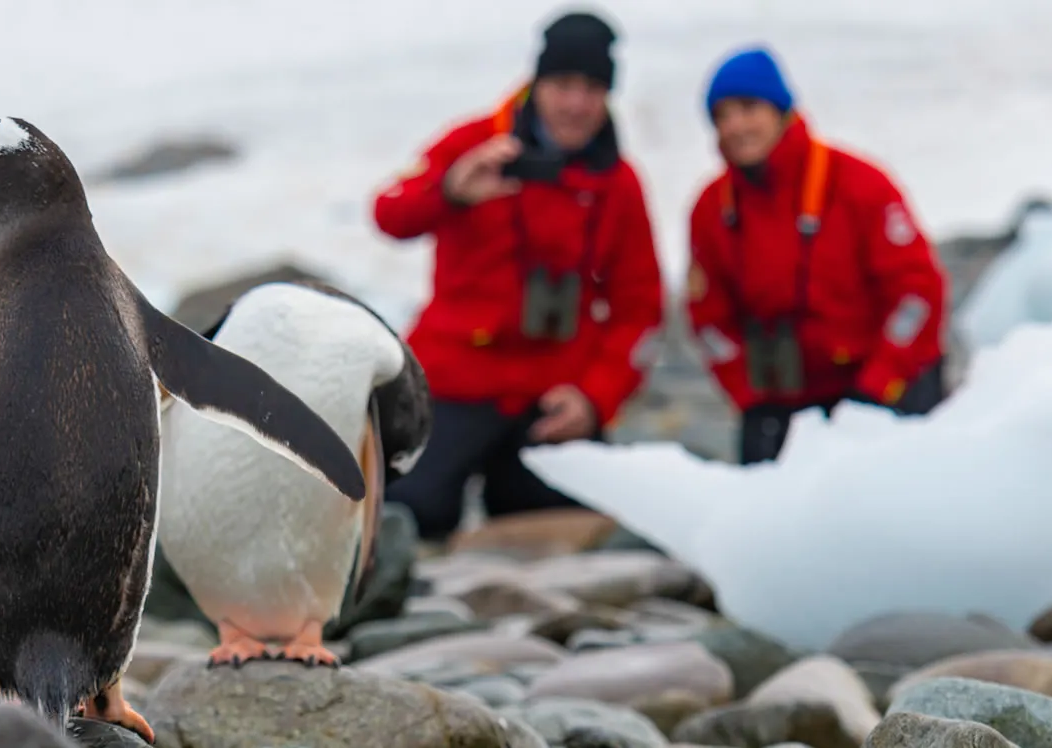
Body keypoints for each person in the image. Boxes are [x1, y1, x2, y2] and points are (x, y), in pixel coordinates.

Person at [370, 10, 664, 541]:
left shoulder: (618, 184)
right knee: (412, 513)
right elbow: (389, 214)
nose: (576, 103)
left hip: (550, 395)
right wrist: (450, 194)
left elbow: (640, 307)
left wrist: (595, 399)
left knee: (582, 513)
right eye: (563, 84)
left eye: (593, 88)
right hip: (452, 382)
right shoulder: (475, 144)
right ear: (538, 83)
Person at [685, 46, 950, 465]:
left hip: (883, 383)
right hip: (785, 396)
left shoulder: (859, 185)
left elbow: (917, 293)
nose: (735, 126)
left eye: (748, 108)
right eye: (722, 116)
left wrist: (878, 386)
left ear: (782, 110)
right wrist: (748, 395)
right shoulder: (712, 210)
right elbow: (708, 318)